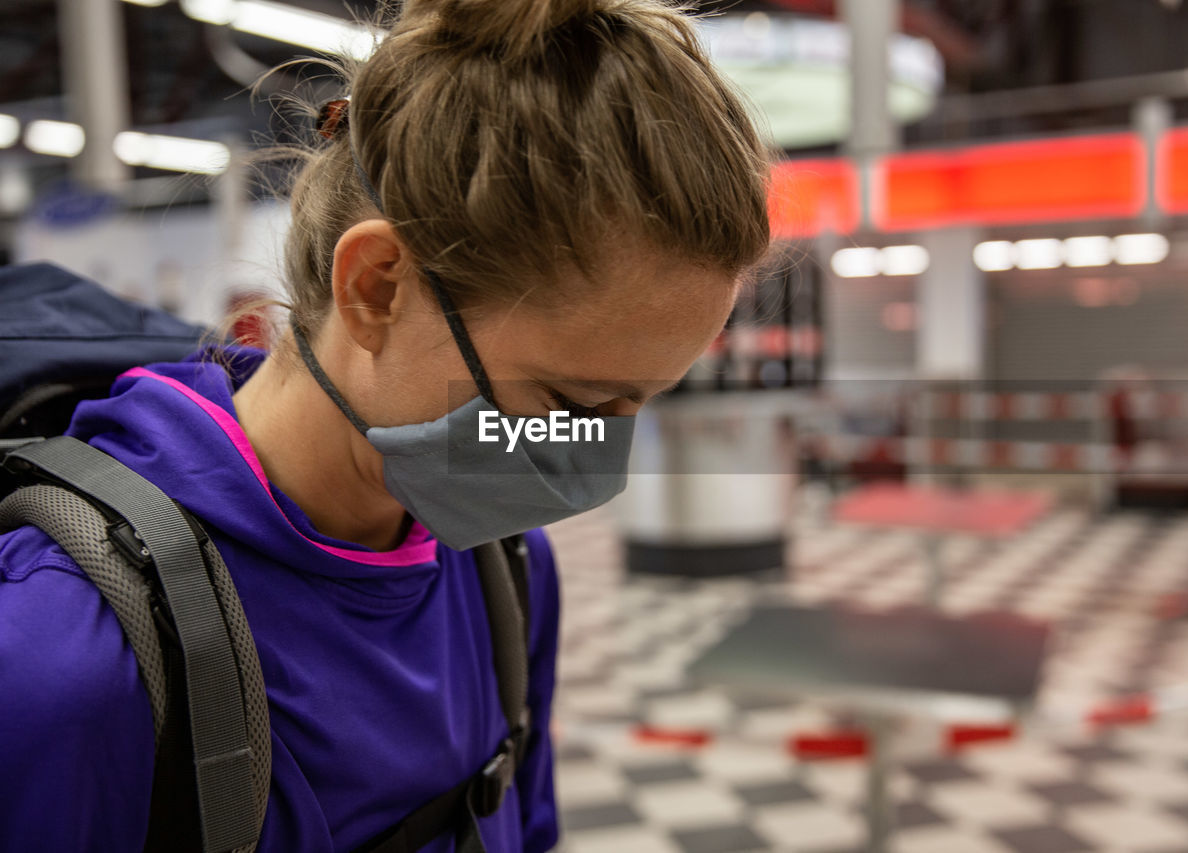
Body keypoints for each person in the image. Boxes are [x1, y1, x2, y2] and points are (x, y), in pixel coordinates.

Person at [0, 0, 770, 849]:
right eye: (575, 403)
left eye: (643, 403)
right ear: (378, 287)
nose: (602, 455)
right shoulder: (73, 659)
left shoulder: (502, 569)